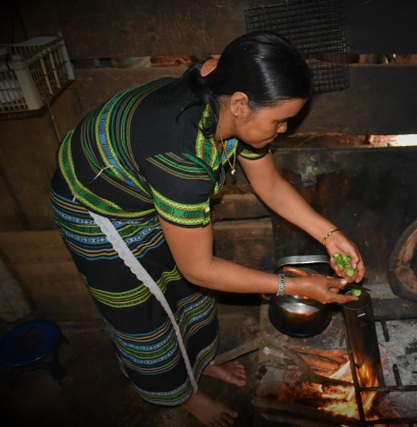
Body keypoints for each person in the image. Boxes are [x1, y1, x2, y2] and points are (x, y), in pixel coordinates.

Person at [49, 30, 365, 427]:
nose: (283, 130)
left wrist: (330, 234)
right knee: (147, 310)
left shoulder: (225, 83)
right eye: (280, 120)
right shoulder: (182, 159)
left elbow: (267, 183)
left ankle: (200, 363)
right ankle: (183, 395)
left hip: (145, 181)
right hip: (98, 206)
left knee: (185, 291)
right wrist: (295, 286)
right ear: (240, 105)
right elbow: (200, 267)